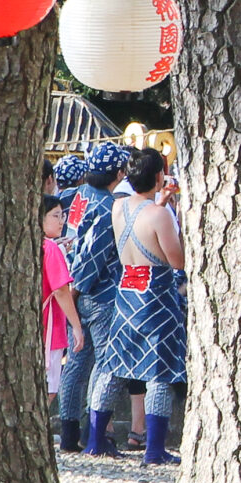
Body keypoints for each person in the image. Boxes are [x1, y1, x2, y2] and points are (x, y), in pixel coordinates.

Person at [105, 147, 186, 466]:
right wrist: (170, 211)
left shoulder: (119, 206)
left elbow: (141, 222)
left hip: (127, 288)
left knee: (113, 363)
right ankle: (154, 448)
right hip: (156, 292)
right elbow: (176, 260)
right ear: (158, 176)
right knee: (159, 370)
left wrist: (161, 201)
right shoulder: (159, 213)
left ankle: (96, 438)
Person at [62, 142, 132, 455]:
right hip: (99, 293)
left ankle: (68, 432)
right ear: (119, 173)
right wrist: (75, 291)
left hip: (72, 289)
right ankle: (95, 436)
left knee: (76, 365)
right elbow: (92, 258)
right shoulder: (107, 208)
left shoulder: (79, 198)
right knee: (104, 364)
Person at [41, 195, 82, 420]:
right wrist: (76, 326)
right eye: (55, 216)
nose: (61, 221)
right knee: (49, 388)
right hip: (51, 328)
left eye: (62, 216)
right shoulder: (51, 249)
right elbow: (61, 290)